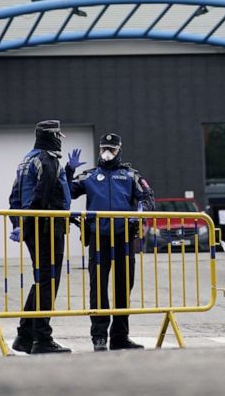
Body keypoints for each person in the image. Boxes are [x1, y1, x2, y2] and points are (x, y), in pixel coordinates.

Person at [67, 133, 155, 351]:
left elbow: (147, 197)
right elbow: (65, 191)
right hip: (98, 238)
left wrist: (140, 212)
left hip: (124, 237)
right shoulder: (89, 175)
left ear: (119, 149)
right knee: (98, 289)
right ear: (99, 149)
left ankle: (120, 337)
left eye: (112, 149)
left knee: (124, 288)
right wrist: (69, 170)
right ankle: (99, 337)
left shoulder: (129, 175)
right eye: (105, 148)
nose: (108, 153)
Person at [7, 120, 73, 355]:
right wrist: (28, 222)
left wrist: (19, 224)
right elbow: (43, 193)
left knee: (42, 280)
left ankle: (24, 336)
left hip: (34, 228)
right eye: (58, 136)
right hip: (47, 227)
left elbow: (14, 197)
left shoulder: (26, 159)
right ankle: (42, 339)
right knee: (48, 282)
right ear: (52, 136)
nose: (59, 141)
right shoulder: (48, 159)